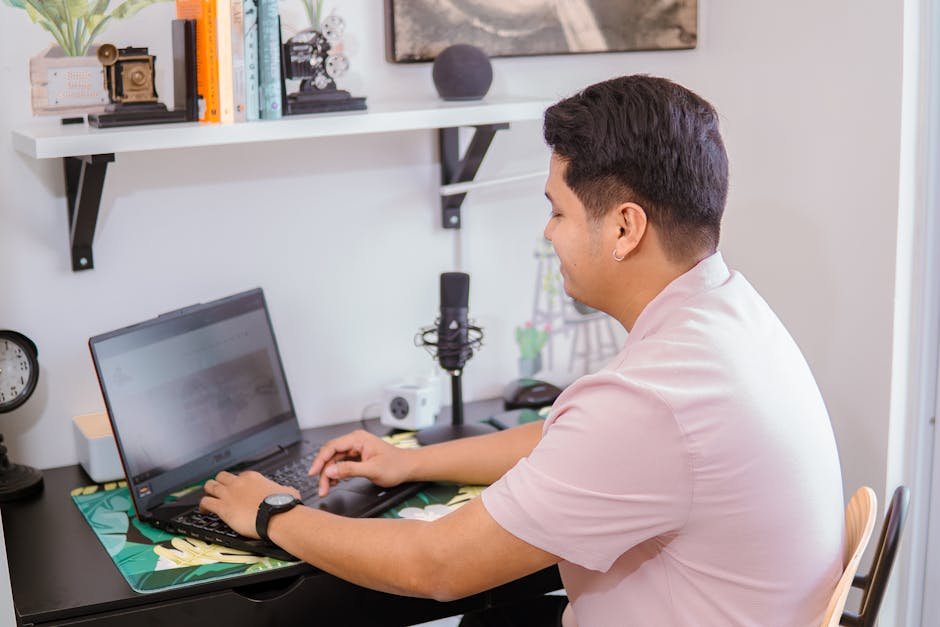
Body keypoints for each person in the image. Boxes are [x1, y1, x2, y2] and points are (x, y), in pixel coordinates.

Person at [199, 75, 845, 626]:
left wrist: (272, 512)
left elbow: (438, 563)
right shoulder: (727, 311)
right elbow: (563, 438)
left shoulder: (652, 402)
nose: (548, 231)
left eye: (558, 211)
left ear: (625, 227)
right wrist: (408, 460)